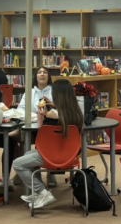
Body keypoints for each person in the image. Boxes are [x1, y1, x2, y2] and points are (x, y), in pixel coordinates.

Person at [11, 78, 84, 210]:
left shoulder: (51, 114)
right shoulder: (76, 113)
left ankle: (42, 192)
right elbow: (62, 115)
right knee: (28, 154)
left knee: (18, 164)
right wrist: (55, 106)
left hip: (51, 154)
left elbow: (42, 132)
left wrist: (42, 116)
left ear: (57, 95)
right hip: (70, 154)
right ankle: (37, 194)